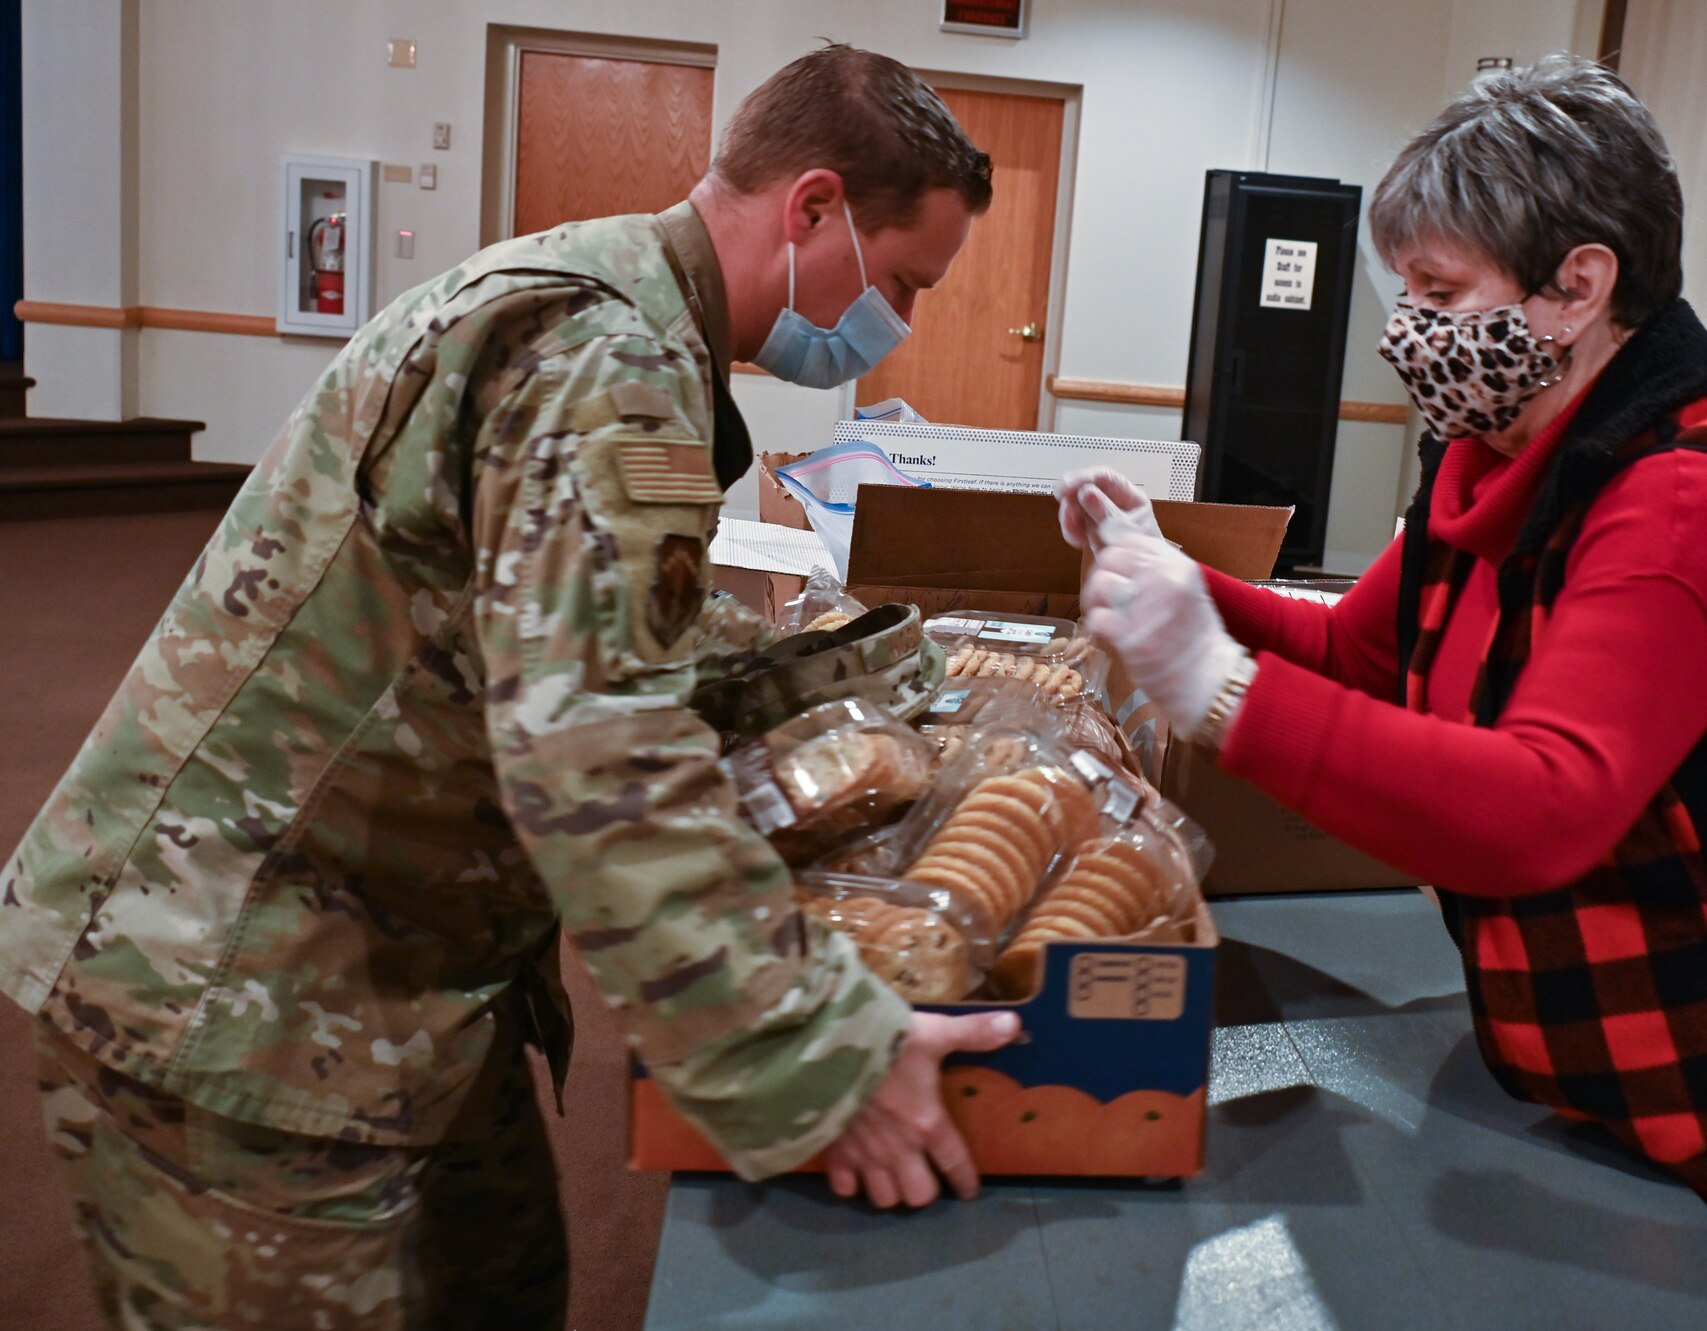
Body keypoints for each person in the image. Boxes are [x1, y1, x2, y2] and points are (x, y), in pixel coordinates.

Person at [1, 43, 1017, 1330]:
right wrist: (806, 1052)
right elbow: (598, 741)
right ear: (811, 206)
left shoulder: (617, 310)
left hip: (386, 953)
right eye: (904, 283)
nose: (899, 325)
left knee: (504, 1287)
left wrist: (860, 668)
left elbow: (613, 633)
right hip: (227, 984)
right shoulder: (607, 356)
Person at [1062, 54, 1707, 1331]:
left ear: (1579, 285)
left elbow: (1540, 809)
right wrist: (1184, 582)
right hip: (1618, 1042)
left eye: (1438, 292)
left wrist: (1211, 686)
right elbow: (1368, 653)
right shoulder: (1492, 454)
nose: (1406, 331)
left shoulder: (1688, 505)